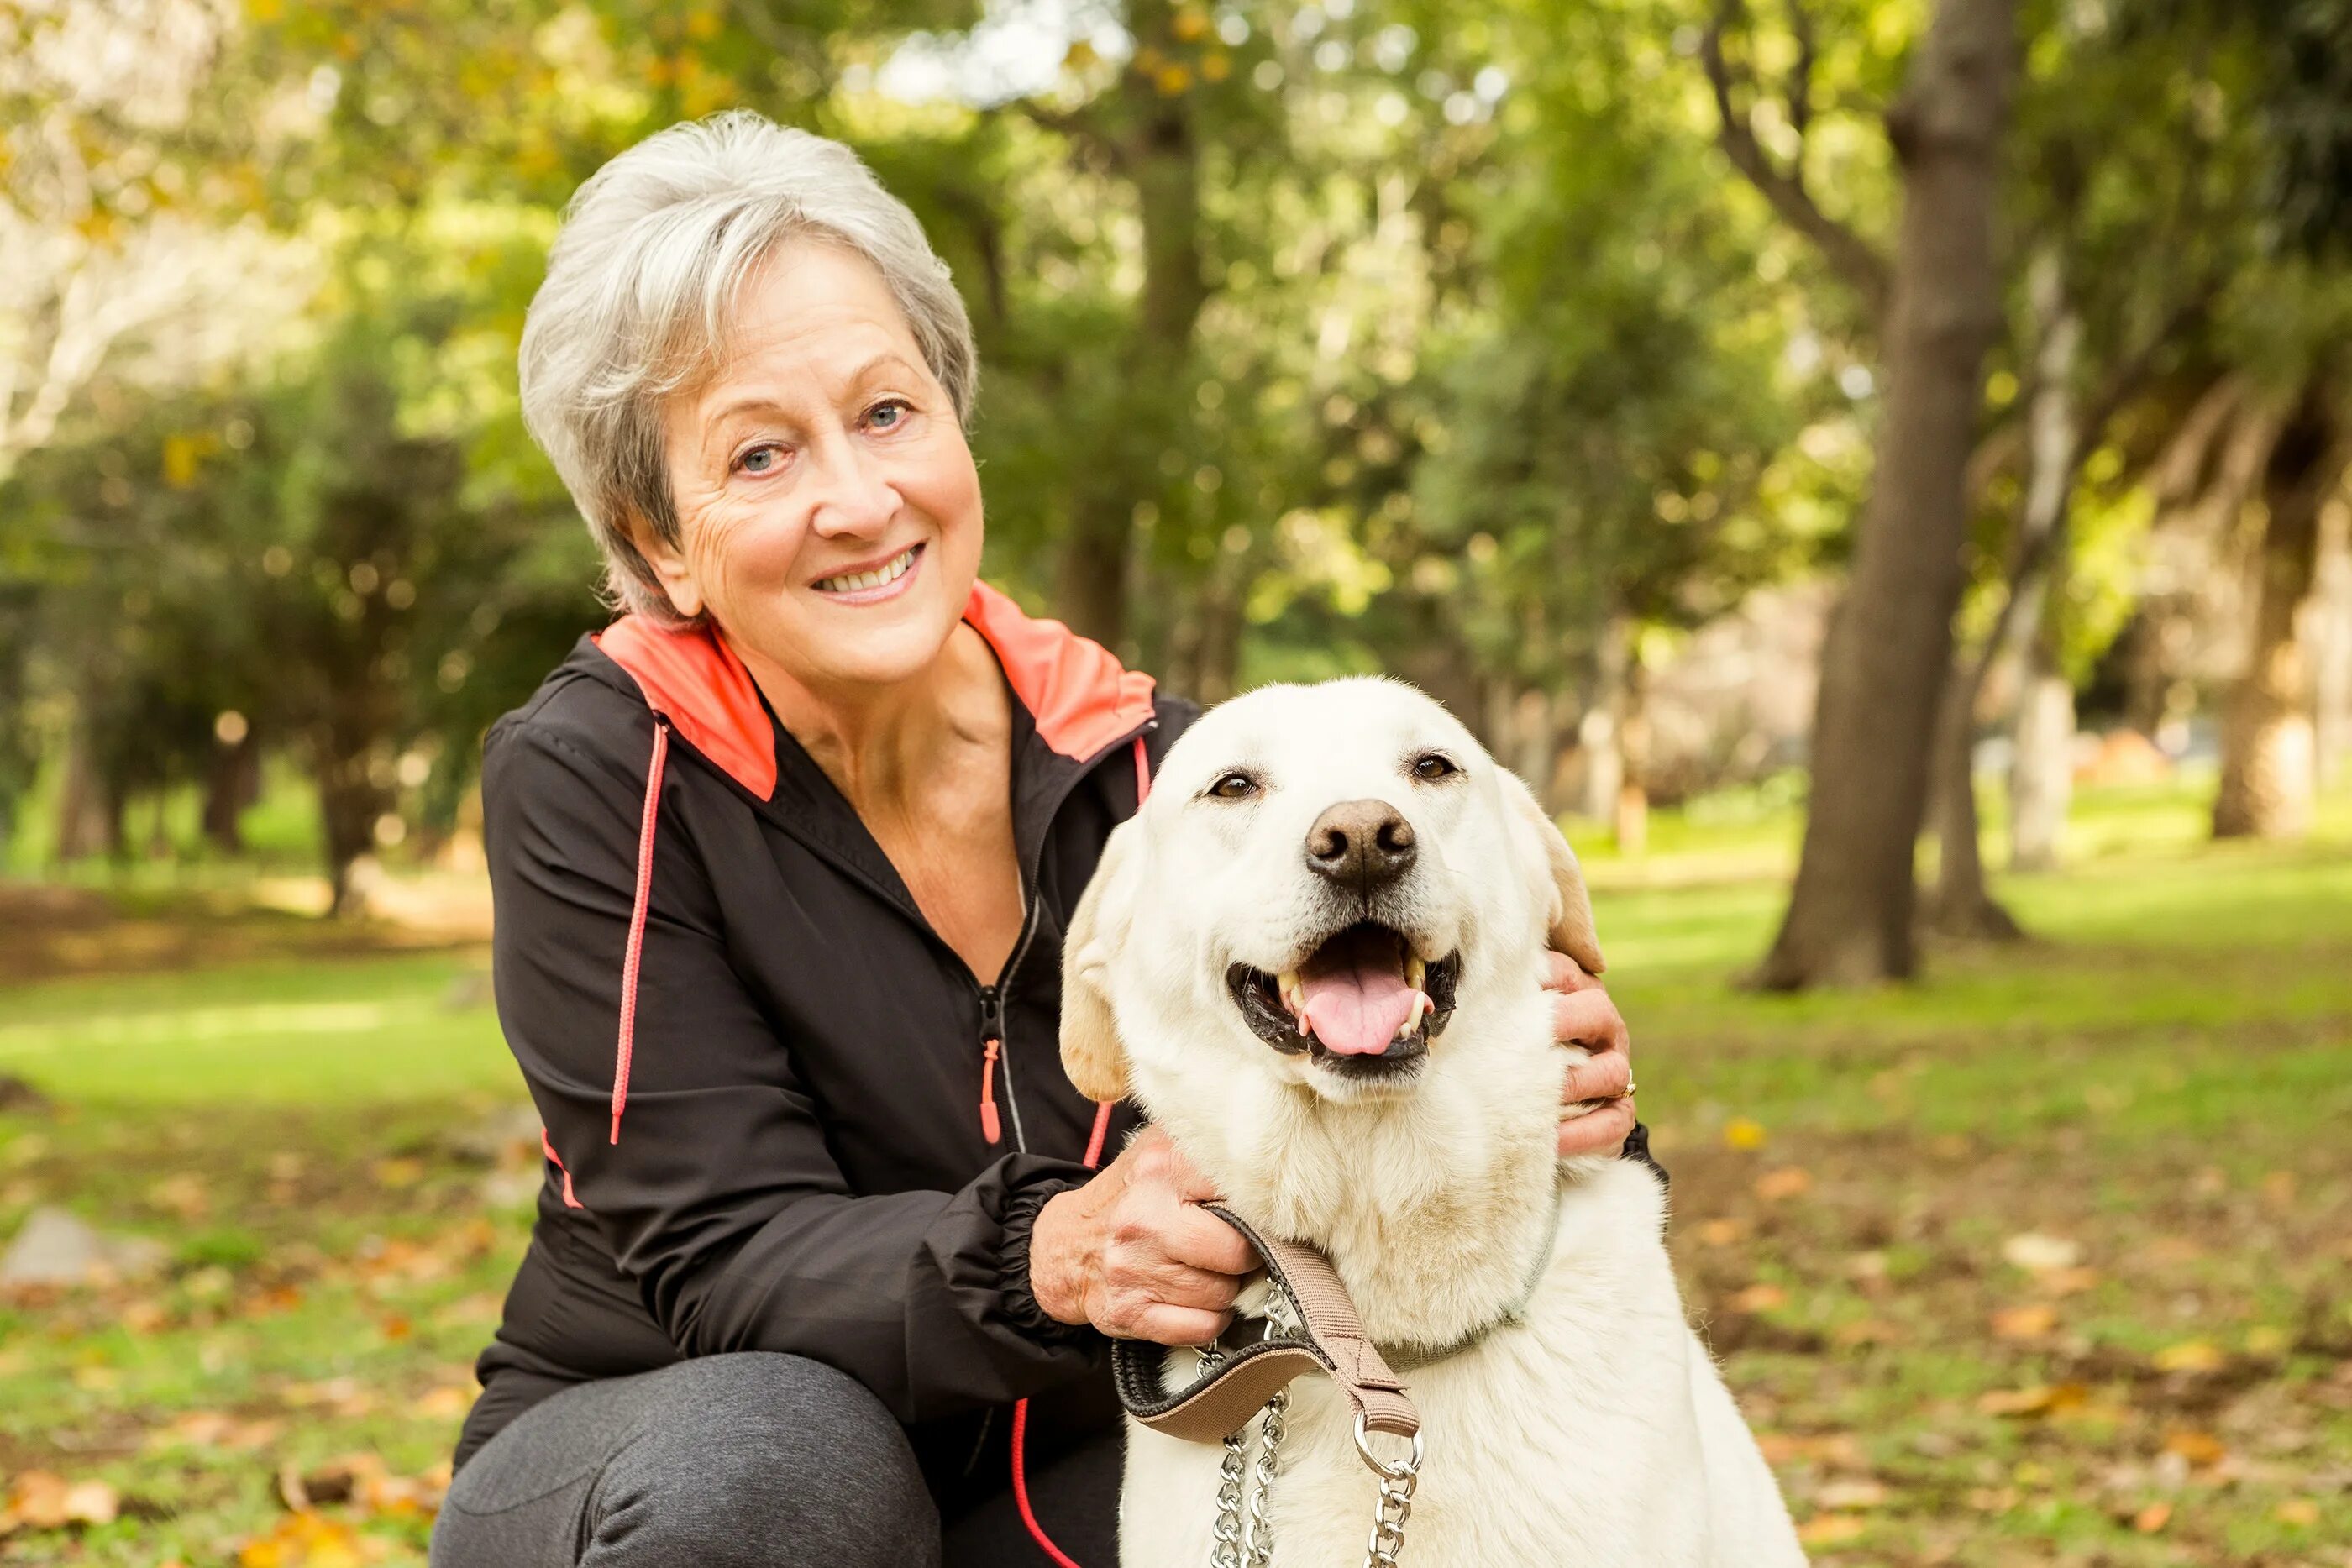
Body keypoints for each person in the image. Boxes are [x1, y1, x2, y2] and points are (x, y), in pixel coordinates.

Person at [427, 110, 1649, 1568]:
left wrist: (1553, 1097)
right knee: (789, 1468)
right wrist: (1053, 1255)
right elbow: (720, 1253)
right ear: (660, 539)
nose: (859, 500)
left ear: (953, 420)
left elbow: (1416, 1119)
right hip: (659, 1450)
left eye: (889, 414)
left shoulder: (1179, 777)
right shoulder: (596, 772)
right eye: (760, 456)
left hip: (1077, 1458)